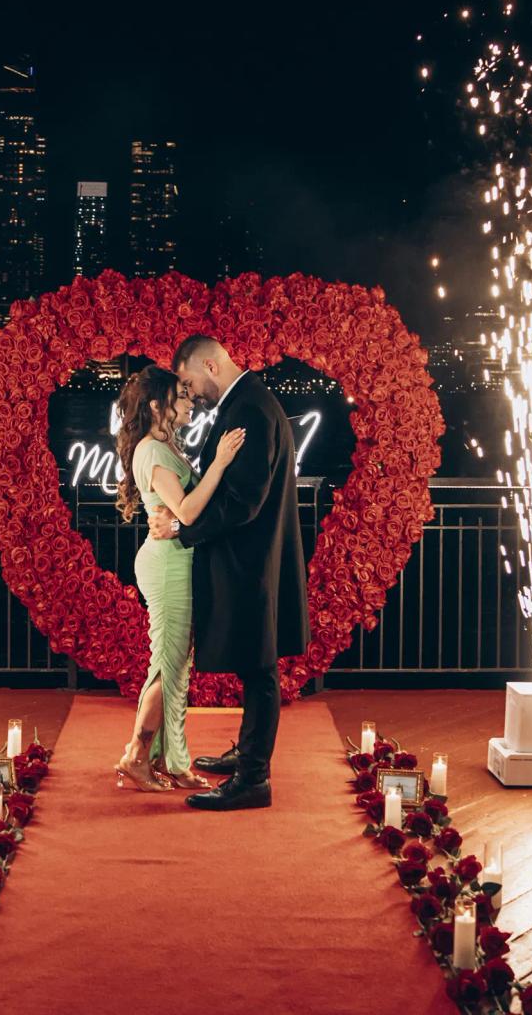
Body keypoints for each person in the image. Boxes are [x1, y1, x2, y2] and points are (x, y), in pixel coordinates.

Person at [150, 334, 309, 811]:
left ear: (210, 366)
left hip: (252, 563)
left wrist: (181, 528)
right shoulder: (248, 402)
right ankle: (247, 755)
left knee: (260, 669)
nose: (191, 393)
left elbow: (243, 502)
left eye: (190, 381)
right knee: (254, 665)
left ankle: (254, 778)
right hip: (254, 560)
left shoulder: (250, 410)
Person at [112, 364, 246, 792]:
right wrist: (221, 463)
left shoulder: (167, 445)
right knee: (170, 667)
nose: (191, 403)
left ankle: (170, 760)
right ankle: (137, 756)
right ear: (157, 406)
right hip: (167, 564)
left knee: (174, 666)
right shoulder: (151, 450)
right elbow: (187, 511)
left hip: (176, 558)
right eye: (182, 397)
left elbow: (181, 514)